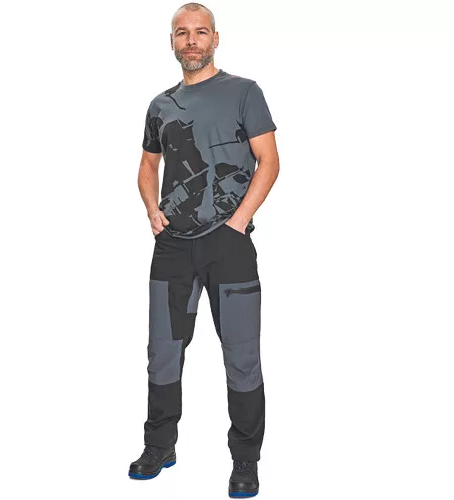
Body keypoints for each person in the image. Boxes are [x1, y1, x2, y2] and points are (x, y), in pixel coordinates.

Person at [128, 3, 280, 497]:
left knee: (241, 355)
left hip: (229, 246)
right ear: (172, 42)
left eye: (200, 32)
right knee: (162, 352)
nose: (191, 40)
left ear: (215, 39)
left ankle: (245, 459)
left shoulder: (244, 92)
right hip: (171, 247)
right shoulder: (160, 105)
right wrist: (152, 210)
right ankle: (160, 446)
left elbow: (269, 161)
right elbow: (147, 165)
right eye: (182, 33)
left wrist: (236, 222)